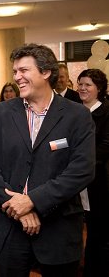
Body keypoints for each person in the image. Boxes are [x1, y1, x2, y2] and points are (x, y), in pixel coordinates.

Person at [0, 43, 95, 277]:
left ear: (46, 72)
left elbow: (82, 169)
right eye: (15, 72)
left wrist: (33, 201)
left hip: (58, 229)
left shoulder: (77, 115)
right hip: (10, 230)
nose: (16, 77)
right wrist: (18, 208)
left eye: (24, 71)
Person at [76, 69, 109, 277]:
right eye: (80, 84)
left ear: (99, 89)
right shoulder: (71, 111)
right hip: (72, 183)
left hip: (99, 182)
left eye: (88, 85)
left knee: (99, 234)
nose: (82, 88)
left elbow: (106, 146)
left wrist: (76, 159)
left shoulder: (107, 112)